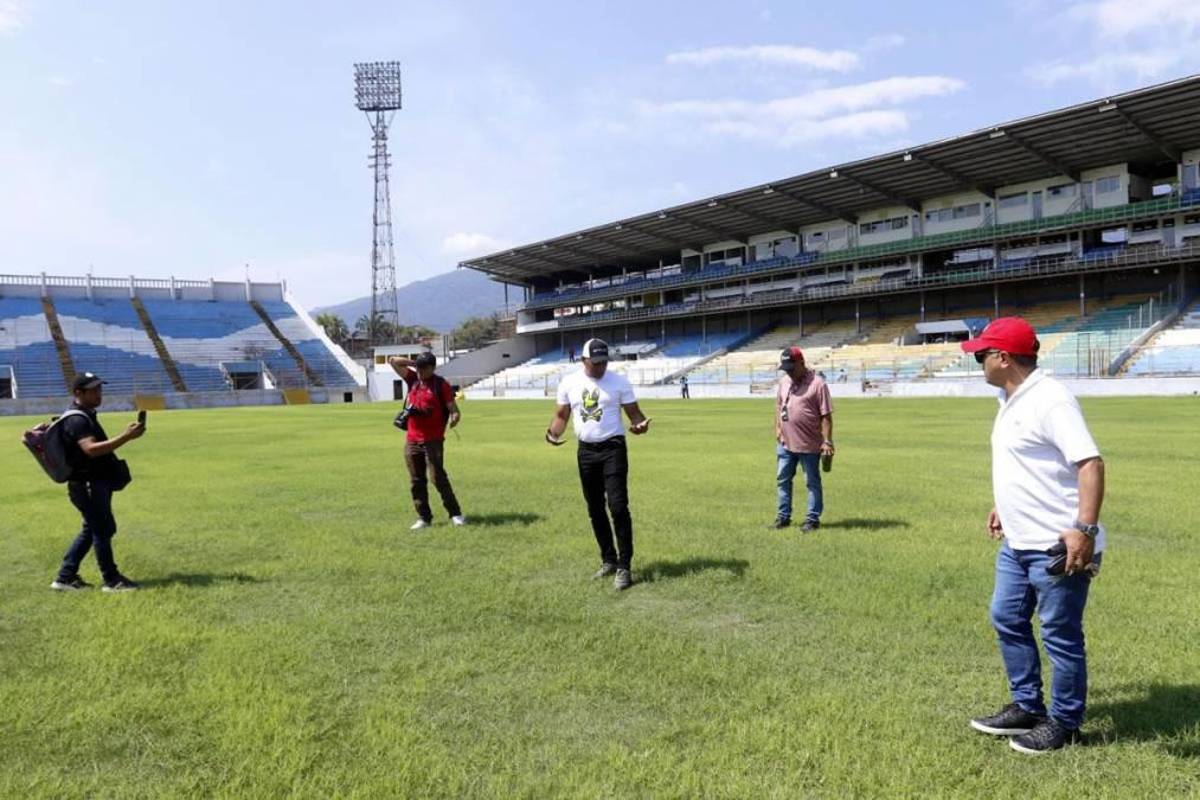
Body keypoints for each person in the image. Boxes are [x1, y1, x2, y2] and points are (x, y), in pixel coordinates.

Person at [962, 317, 1106, 754]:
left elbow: (1090, 465)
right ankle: (1028, 706)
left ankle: (1065, 722)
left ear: (1003, 358)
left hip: (1058, 545)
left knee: (1060, 632)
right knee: (1006, 617)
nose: (979, 363)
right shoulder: (1010, 398)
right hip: (1018, 542)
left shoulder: (1051, 400)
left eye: (983, 355)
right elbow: (1026, 463)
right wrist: (1002, 506)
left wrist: (1084, 530)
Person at [546, 338, 651, 590]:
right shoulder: (569, 382)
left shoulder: (619, 382)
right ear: (583, 360)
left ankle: (625, 567)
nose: (601, 367)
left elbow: (635, 414)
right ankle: (608, 560)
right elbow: (562, 415)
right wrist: (553, 434)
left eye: (604, 362)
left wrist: (639, 426)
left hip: (613, 448)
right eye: (596, 363)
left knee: (617, 506)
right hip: (586, 452)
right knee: (595, 508)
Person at [50, 372, 146, 592]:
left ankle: (65, 578)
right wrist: (126, 436)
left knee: (94, 528)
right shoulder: (77, 419)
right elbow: (91, 450)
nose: (98, 393)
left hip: (92, 482)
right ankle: (111, 580)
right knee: (102, 529)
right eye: (93, 390)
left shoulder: (86, 414)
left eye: (99, 388)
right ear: (78, 393)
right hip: (88, 484)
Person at [388, 352, 465, 530]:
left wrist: (455, 417)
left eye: (424, 368)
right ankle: (424, 517)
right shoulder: (413, 379)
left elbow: (453, 408)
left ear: (432, 368)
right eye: (419, 368)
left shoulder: (440, 385)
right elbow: (393, 361)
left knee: (438, 478)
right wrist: (414, 362)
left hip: (433, 439)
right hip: (412, 439)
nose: (421, 372)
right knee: (416, 480)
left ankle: (455, 514)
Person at [772, 346, 834, 532]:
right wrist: (777, 427)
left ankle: (812, 519)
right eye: (786, 369)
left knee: (812, 482)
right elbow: (778, 405)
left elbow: (826, 416)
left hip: (809, 445)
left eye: (791, 368)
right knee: (783, 480)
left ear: (802, 363)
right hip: (785, 444)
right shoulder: (784, 382)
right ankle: (783, 517)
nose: (789, 372)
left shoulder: (818, 384)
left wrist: (827, 441)